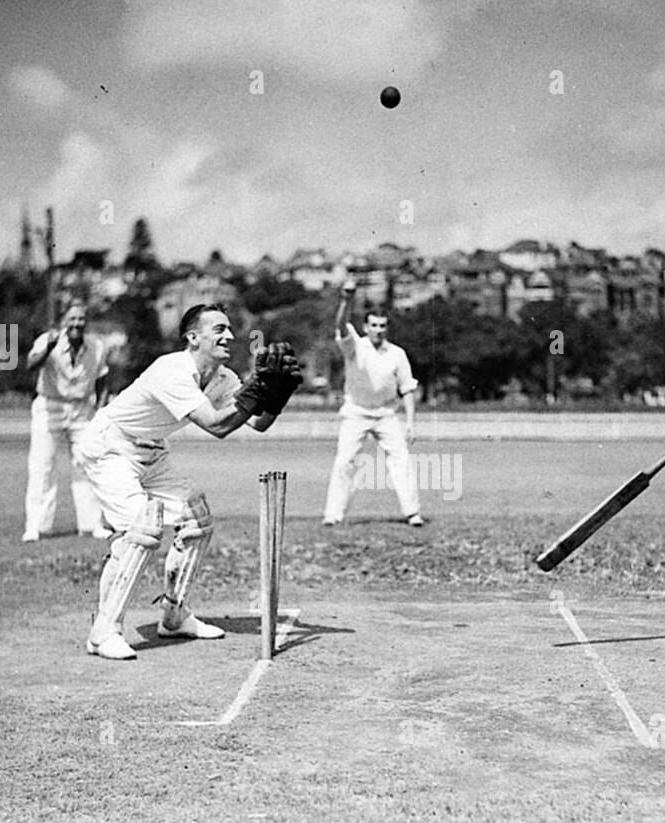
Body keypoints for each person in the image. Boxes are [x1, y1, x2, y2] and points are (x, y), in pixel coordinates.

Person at [76, 302, 302, 660]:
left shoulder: (224, 378)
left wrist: (278, 393)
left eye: (229, 329)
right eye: (219, 330)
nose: (229, 336)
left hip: (152, 451)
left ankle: (175, 615)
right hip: (111, 446)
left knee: (196, 518)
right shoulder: (172, 370)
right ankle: (103, 631)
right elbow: (216, 425)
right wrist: (257, 391)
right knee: (142, 529)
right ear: (192, 337)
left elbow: (258, 423)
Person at [322, 281, 424, 527]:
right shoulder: (354, 346)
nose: (378, 330)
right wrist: (347, 299)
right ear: (366, 327)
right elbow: (340, 324)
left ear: (387, 328)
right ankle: (333, 515)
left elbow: (407, 388)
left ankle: (413, 513)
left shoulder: (397, 353)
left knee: (401, 459)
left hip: (387, 414)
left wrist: (410, 423)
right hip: (356, 412)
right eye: (374, 326)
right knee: (345, 461)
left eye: (382, 326)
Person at [22, 301, 111, 542]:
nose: (77, 324)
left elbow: (102, 378)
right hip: (50, 406)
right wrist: (49, 346)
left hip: (82, 409)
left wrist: (101, 408)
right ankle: (36, 526)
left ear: (86, 322)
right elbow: (30, 366)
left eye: (81, 319)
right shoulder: (46, 340)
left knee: (87, 464)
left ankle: (92, 524)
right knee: (43, 466)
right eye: (72, 319)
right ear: (63, 322)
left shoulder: (96, 346)